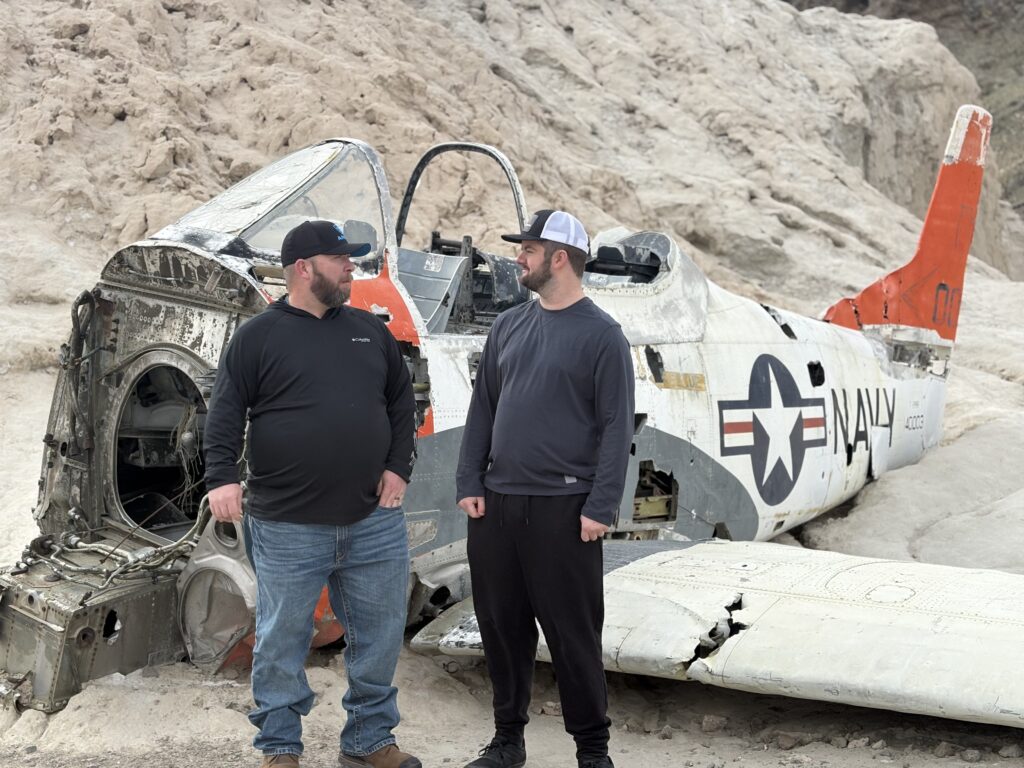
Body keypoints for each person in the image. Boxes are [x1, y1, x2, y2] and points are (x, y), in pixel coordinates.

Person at [203, 219, 420, 768]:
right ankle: (280, 747)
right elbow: (225, 413)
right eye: (340, 259)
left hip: (375, 520)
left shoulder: (369, 331)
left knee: (379, 635)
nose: (351, 268)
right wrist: (222, 477)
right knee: (281, 639)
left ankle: (369, 741)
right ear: (304, 268)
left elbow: (400, 401)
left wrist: (399, 467)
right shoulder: (258, 336)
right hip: (288, 524)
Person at [455, 210, 635, 768]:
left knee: (572, 635)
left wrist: (601, 505)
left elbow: (616, 427)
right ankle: (508, 741)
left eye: (528, 249)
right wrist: (469, 480)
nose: (518, 257)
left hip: (565, 510)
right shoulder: (508, 325)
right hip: (497, 508)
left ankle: (592, 751)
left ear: (559, 257)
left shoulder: (602, 335)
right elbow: (482, 408)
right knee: (501, 630)